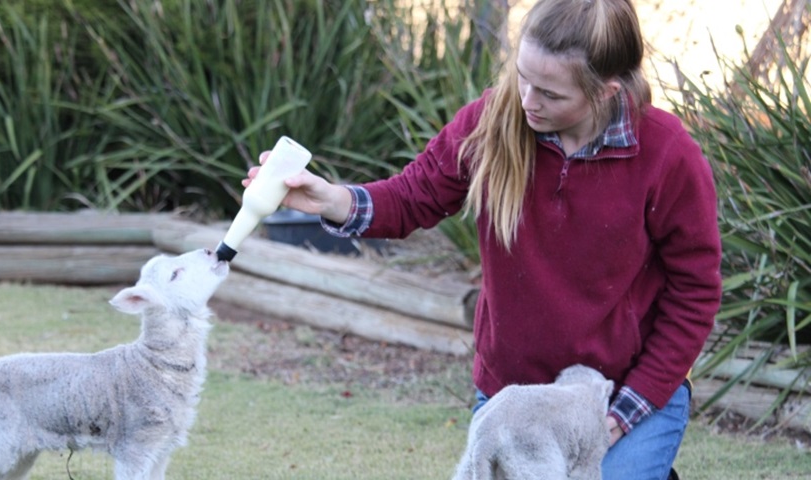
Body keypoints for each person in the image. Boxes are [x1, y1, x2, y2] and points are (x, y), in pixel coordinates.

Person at [243, 0, 721, 478]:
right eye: (522, 76)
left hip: (619, 390)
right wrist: (329, 199)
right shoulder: (491, 121)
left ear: (605, 91)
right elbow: (413, 196)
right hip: (514, 392)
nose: (527, 100)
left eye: (550, 93)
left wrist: (624, 413)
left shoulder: (667, 154)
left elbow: (694, 292)